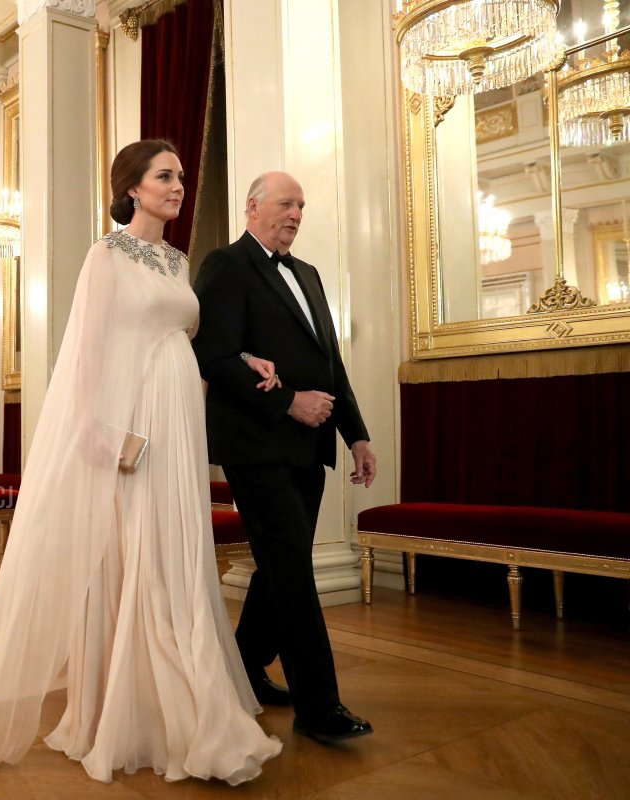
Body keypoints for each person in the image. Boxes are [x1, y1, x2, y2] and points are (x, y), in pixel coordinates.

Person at [0, 140, 282, 785]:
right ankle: (130, 708)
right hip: (134, 423)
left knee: (175, 551)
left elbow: (184, 339)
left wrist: (244, 362)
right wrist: (94, 428)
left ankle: (184, 698)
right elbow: (87, 349)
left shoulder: (179, 260)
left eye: (180, 176)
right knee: (134, 552)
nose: (179, 185)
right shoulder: (107, 253)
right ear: (132, 187)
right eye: (165, 176)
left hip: (180, 419)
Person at [191, 170, 378, 744]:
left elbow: (331, 363)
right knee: (294, 570)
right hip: (255, 444)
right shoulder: (226, 264)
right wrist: (289, 403)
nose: (296, 214)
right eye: (285, 204)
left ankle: (243, 666)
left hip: (309, 448)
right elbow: (214, 356)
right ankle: (319, 706)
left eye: (301, 205)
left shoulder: (310, 274)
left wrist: (356, 433)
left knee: (281, 564)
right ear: (252, 207)